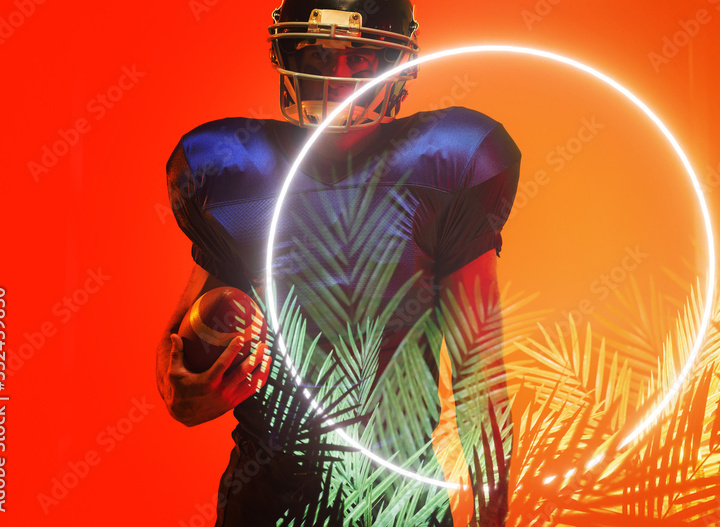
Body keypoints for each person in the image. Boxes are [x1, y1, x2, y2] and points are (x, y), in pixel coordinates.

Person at [154, 0, 521, 525]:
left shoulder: (449, 164)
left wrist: (492, 517)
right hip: (262, 506)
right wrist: (178, 386)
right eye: (317, 54)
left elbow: (480, 378)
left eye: (361, 55)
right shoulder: (231, 173)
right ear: (286, 52)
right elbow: (178, 346)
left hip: (400, 509)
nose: (339, 74)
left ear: (397, 61)